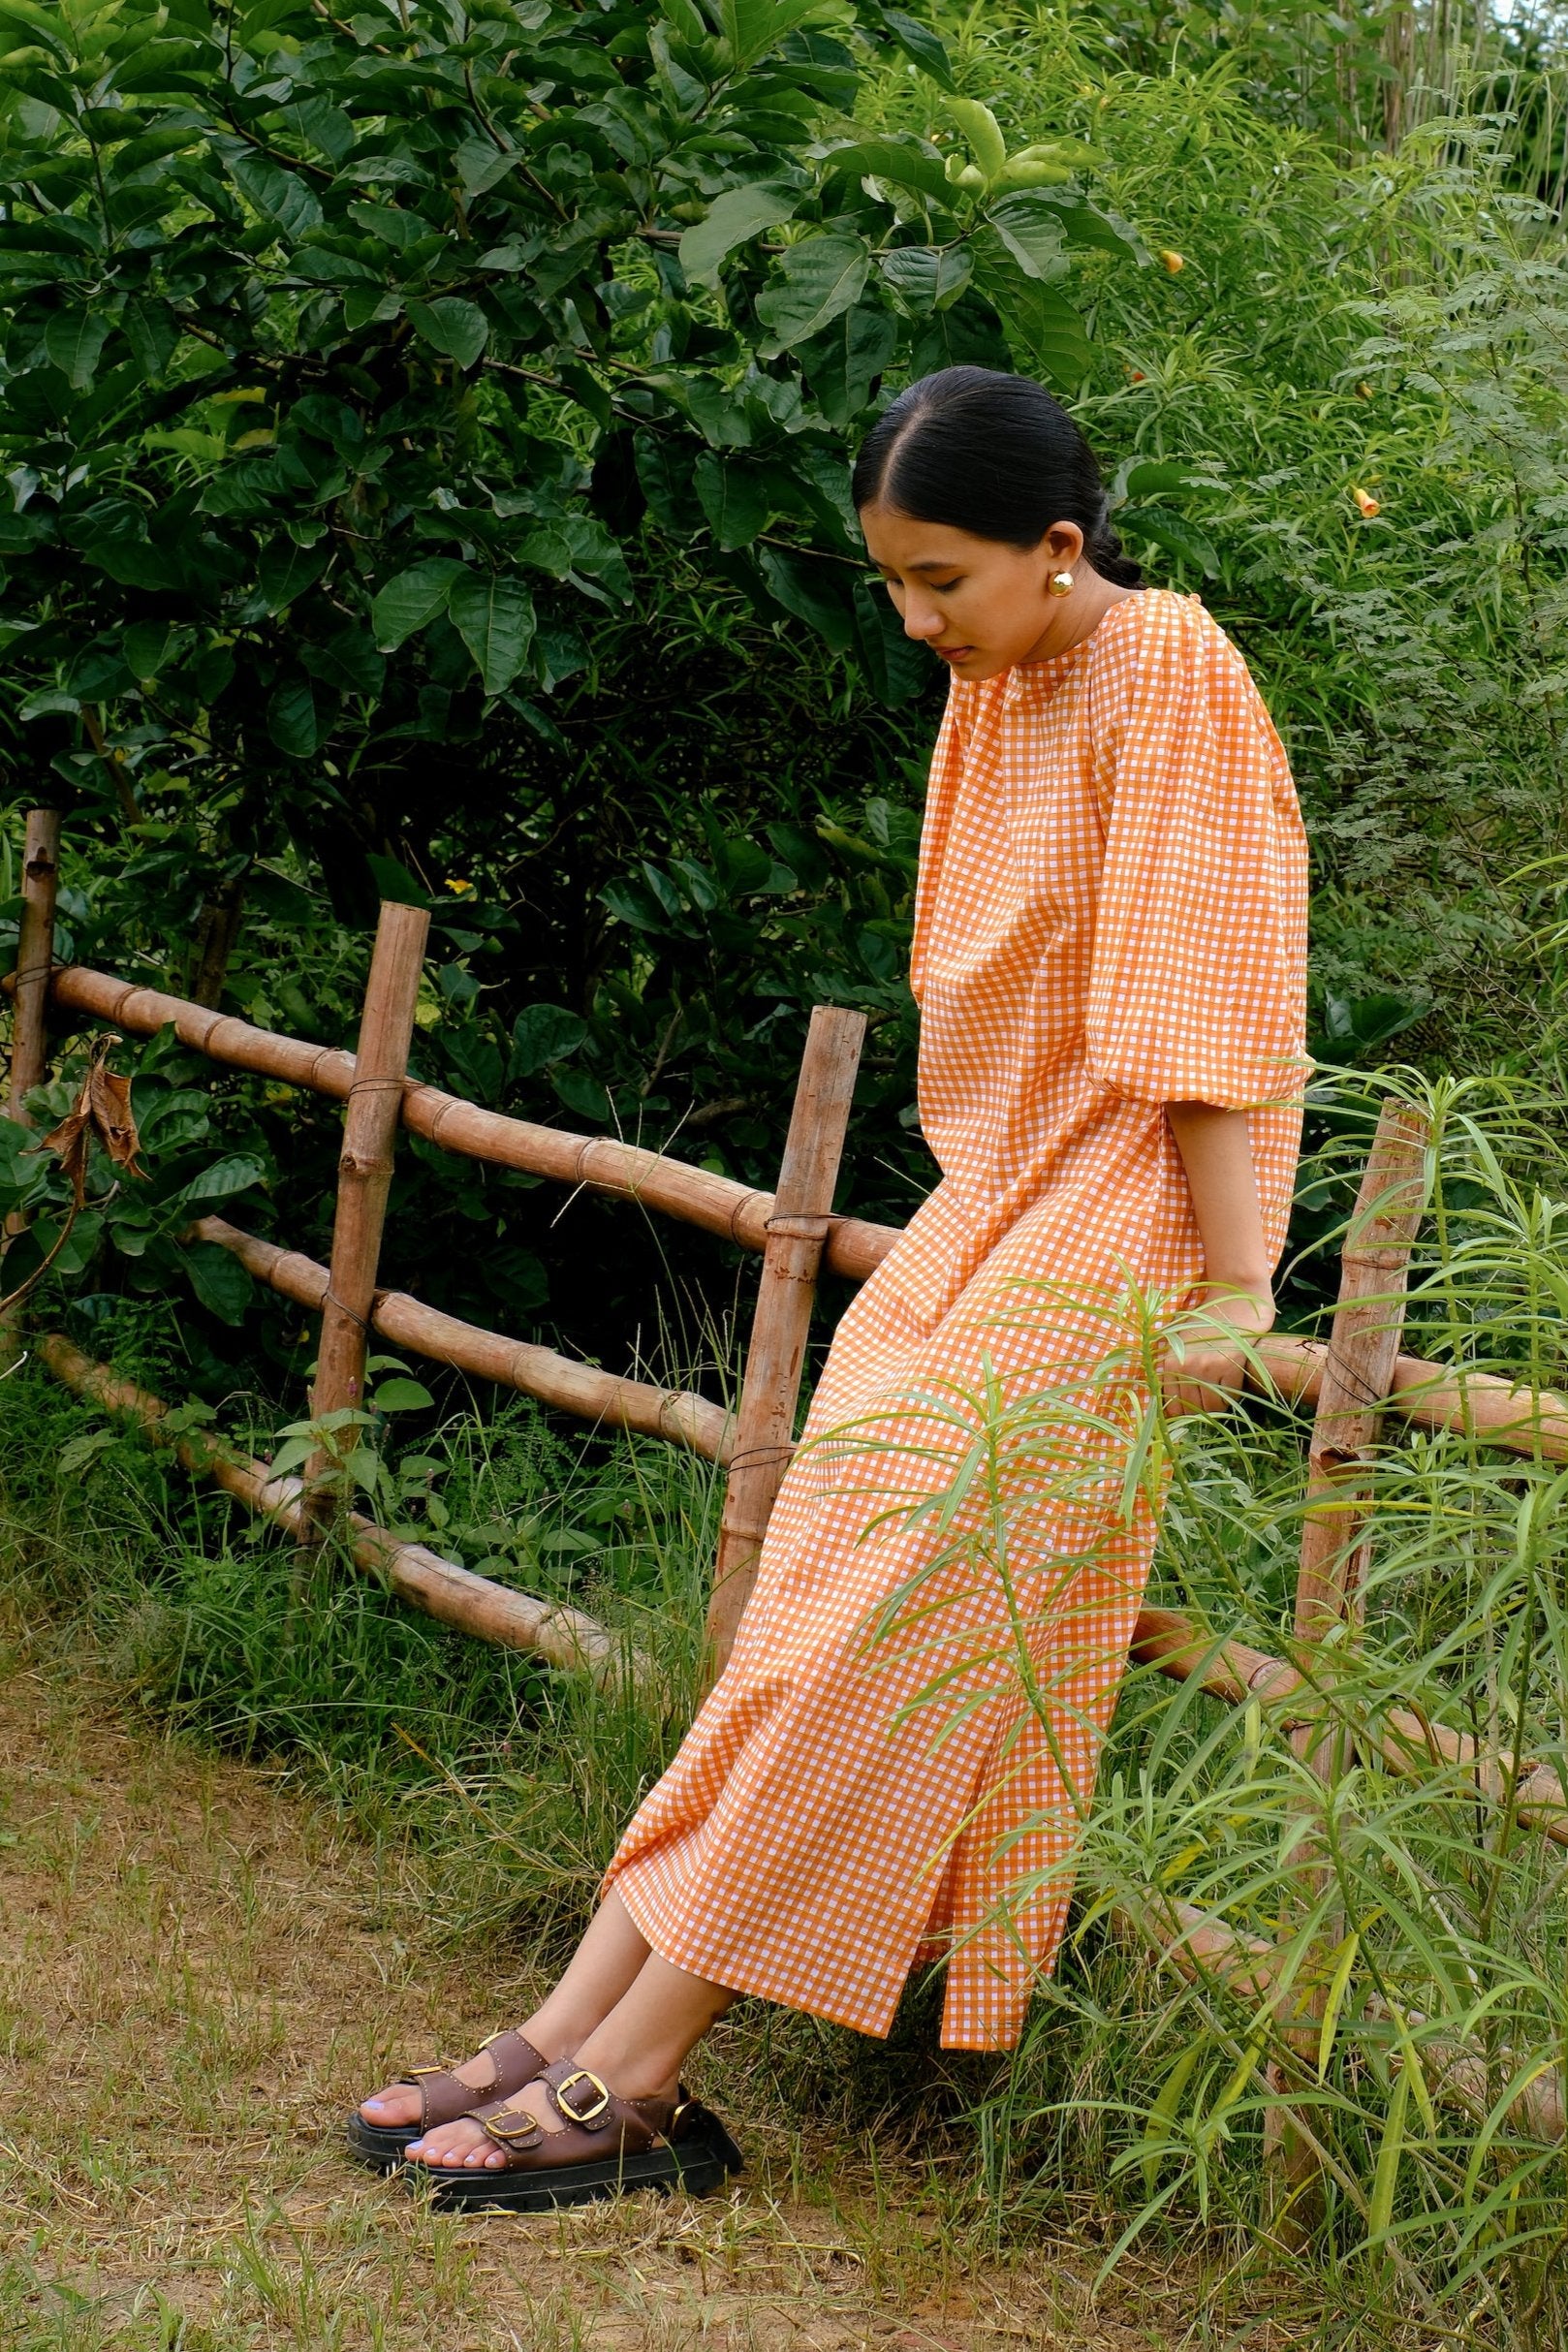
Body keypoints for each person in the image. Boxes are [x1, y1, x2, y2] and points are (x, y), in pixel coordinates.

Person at [348, 364, 1309, 2211]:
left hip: (1120, 1213)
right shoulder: (994, 681)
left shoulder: (1168, 664)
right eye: (888, 578)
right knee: (812, 1601)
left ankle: (639, 2082)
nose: (912, 618)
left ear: (1055, 545)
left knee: (892, 1626)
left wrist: (1235, 1281)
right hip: (993, 1200)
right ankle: (568, 2027)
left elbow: (1199, 1000)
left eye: (940, 578)